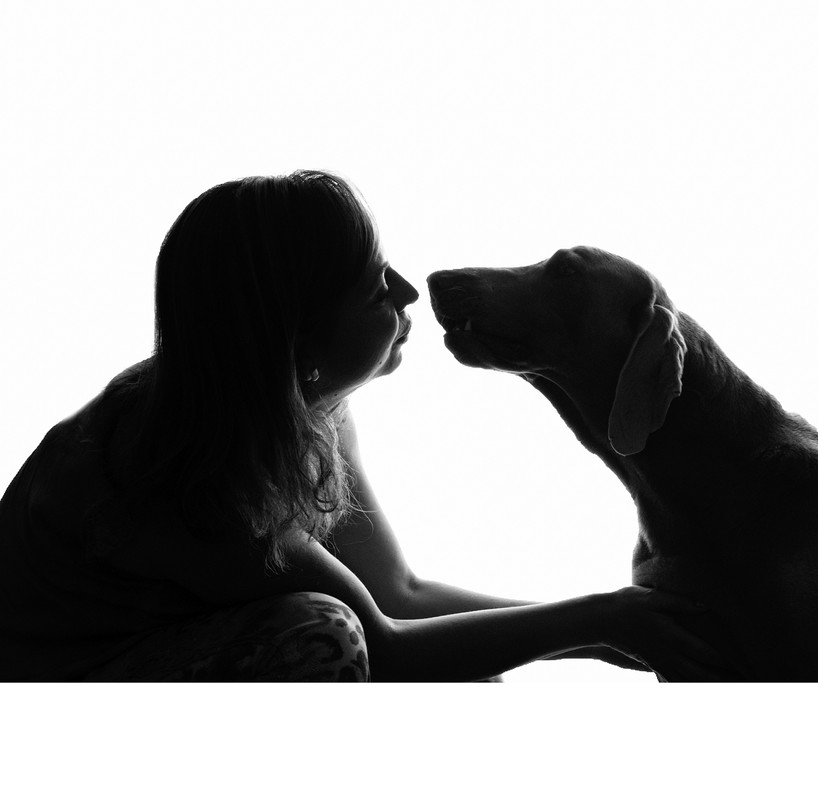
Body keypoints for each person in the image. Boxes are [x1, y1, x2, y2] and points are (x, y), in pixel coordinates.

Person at [0, 170, 723, 682]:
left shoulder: (285, 406)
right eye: (376, 286)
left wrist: (605, 634)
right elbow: (389, 645)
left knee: (471, 668)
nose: (410, 291)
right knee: (320, 634)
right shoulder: (190, 483)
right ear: (302, 341)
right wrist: (600, 620)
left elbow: (399, 594)